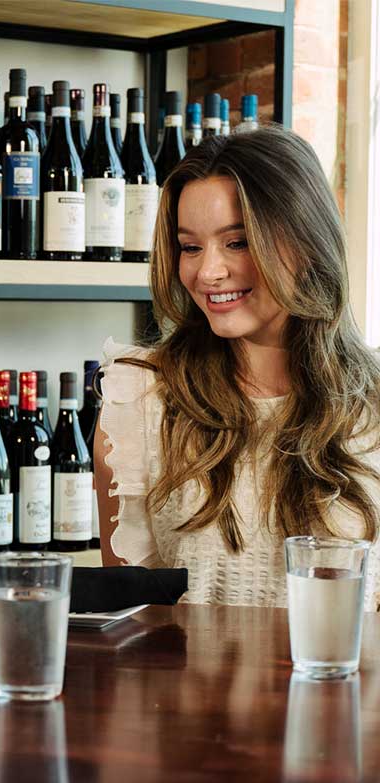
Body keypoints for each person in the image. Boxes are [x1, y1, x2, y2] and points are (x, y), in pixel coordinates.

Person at [94, 126, 380, 608]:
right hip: (189, 687)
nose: (207, 273)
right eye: (190, 247)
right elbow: (130, 627)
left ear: (307, 242)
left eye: (238, 242)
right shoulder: (140, 403)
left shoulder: (371, 408)